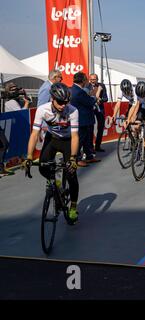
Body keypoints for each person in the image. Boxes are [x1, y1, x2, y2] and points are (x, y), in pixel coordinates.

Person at [24, 83, 80, 224]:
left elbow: (75, 137)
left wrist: (73, 158)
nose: (63, 106)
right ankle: (57, 182)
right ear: (52, 99)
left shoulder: (73, 111)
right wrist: (29, 156)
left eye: (66, 102)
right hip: (52, 139)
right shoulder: (42, 110)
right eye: (60, 102)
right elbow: (34, 134)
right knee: (43, 167)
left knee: (72, 173)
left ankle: (73, 206)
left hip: (68, 141)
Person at [70, 72, 102, 166]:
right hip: (82, 119)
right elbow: (90, 102)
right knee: (80, 140)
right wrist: (95, 98)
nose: (88, 81)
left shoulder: (74, 89)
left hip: (84, 119)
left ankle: (89, 156)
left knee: (86, 139)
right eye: (86, 79)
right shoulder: (78, 92)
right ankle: (77, 159)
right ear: (83, 80)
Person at [87, 74, 108, 152]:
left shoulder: (101, 86)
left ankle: (98, 146)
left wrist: (101, 101)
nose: (93, 81)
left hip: (100, 108)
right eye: (91, 79)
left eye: (94, 79)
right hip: (91, 108)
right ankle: (90, 146)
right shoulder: (87, 86)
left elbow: (106, 98)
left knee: (101, 126)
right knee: (90, 127)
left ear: (97, 79)